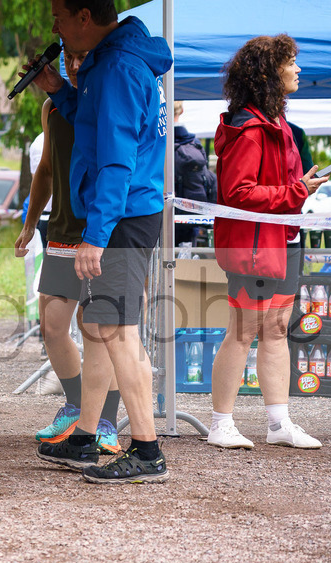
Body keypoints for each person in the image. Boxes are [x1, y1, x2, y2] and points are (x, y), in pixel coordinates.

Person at [31, 0, 172, 484]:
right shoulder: (114, 61)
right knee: (99, 327)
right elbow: (92, 124)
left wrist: (95, 236)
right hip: (125, 212)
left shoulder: (114, 67)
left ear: (84, 17)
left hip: (121, 216)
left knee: (117, 332)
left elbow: (115, 162)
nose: (54, 27)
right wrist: (60, 91)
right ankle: (85, 438)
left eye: (58, 17)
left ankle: (148, 452)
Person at [207, 35, 326, 451]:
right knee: (242, 332)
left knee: (276, 331)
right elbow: (238, 192)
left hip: (282, 240)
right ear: (268, 73)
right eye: (291, 62)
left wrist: (299, 188)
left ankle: (279, 423)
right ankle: (220, 422)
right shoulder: (250, 128)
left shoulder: (277, 124)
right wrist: (296, 190)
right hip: (255, 247)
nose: (298, 69)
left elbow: (274, 187)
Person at [15, 45, 122, 457]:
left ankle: (106, 421)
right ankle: (77, 406)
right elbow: (45, 170)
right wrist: (29, 224)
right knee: (53, 325)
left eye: (81, 60)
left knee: (100, 329)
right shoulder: (51, 107)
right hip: (60, 230)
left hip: (99, 231)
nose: (75, 66)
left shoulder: (105, 100)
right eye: (70, 61)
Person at [172, 101, 217, 245]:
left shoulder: (162, 141)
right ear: (182, 110)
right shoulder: (194, 144)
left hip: (164, 221)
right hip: (192, 221)